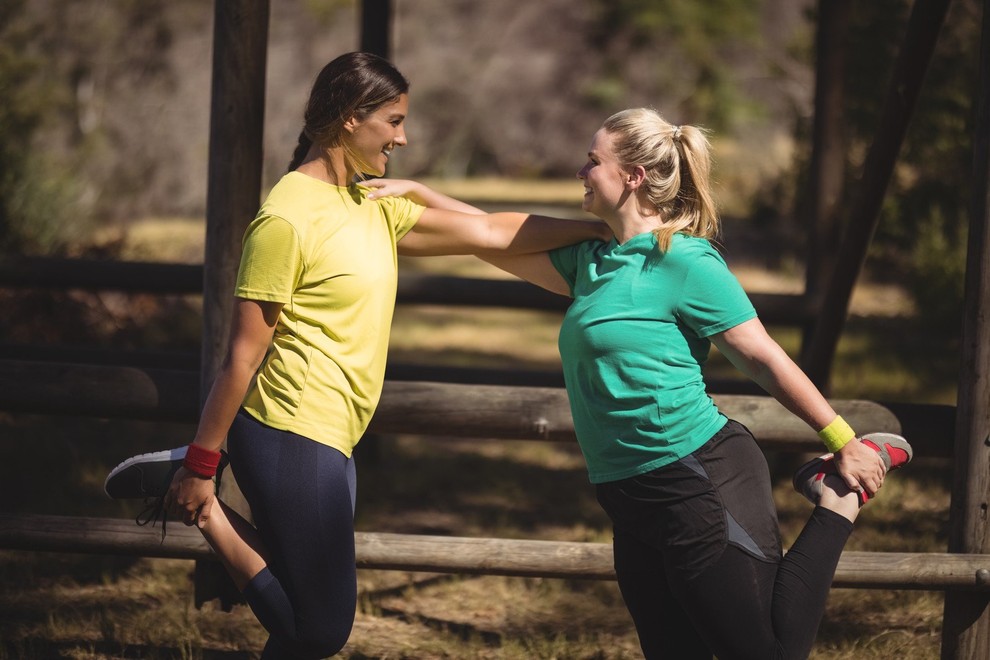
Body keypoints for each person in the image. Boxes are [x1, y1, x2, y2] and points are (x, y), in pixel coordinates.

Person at [103, 51, 609, 660]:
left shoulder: (371, 204)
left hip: (336, 434)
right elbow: (241, 356)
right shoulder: (286, 219)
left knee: (297, 622)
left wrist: (599, 230)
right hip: (288, 428)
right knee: (321, 629)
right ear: (349, 118)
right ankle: (203, 508)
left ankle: (191, 484)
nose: (404, 136)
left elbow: (488, 232)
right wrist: (203, 462)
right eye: (393, 121)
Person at [365, 107, 913, 660]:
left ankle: (837, 500)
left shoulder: (687, 261)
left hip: (697, 477)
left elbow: (763, 356)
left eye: (592, 161)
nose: (581, 172)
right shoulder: (592, 263)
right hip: (626, 494)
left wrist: (841, 439)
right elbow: (488, 234)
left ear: (634, 176)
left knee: (768, 654)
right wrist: (418, 193)